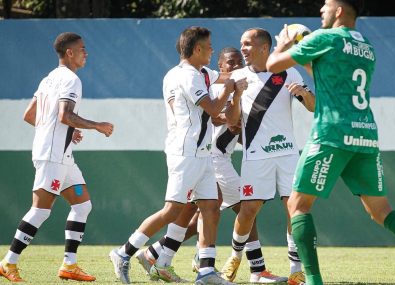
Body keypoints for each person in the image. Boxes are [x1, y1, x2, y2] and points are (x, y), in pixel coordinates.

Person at [266, 1, 395, 285]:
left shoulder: (325, 37)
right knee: (381, 210)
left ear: (339, 10)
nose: (321, 9)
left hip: (331, 134)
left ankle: (314, 281)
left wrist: (282, 44)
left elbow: (272, 65)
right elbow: (324, 72)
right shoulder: (366, 46)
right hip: (365, 135)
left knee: (298, 206)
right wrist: (303, 53)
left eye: (326, 4)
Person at [109, 26, 247, 285]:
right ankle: (123, 252)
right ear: (197, 49)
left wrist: (252, 73)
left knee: (210, 208)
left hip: (202, 153)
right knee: (172, 210)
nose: (212, 50)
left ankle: (206, 271)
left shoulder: (201, 72)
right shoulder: (188, 77)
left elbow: (225, 78)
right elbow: (215, 106)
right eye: (208, 46)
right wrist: (230, 91)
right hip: (186, 153)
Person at [0, 32, 114, 283]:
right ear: (70, 53)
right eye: (82, 49)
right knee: (40, 211)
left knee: (83, 205)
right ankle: (8, 262)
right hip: (52, 156)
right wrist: (97, 125)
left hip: (60, 154)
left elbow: (30, 115)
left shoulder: (48, 79)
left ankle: (69, 265)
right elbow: (65, 115)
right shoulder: (71, 79)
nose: (86, 53)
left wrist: (65, 132)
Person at [223, 28, 315, 285]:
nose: (243, 49)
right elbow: (231, 122)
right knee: (249, 209)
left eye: (248, 44)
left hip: (287, 154)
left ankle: (296, 269)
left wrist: (304, 94)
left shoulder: (289, 72)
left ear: (265, 48)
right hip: (255, 155)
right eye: (241, 44)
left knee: (293, 208)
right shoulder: (237, 77)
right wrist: (237, 94)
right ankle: (234, 257)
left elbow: (313, 107)